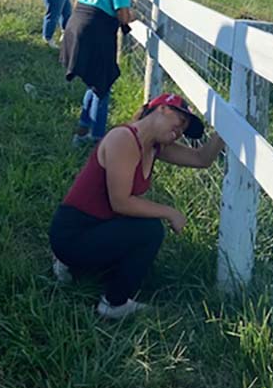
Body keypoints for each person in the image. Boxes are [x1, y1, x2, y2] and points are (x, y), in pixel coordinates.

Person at [49, 93, 224, 319]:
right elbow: (120, 202)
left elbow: (202, 159)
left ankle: (78, 267)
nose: (179, 132)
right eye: (180, 122)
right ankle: (114, 303)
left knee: (141, 247)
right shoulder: (124, 138)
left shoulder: (155, 146)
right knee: (149, 230)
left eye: (184, 129)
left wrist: (228, 129)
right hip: (72, 233)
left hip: (93, 227)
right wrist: (169, 212)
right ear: (162, 109)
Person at [61, 0, 140, 145]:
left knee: (94, 84)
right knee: (103, 85)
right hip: (96, 31)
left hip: (76, 26)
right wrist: (136, 15)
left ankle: (81, 132)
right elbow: (122, 15)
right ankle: (98, 141)